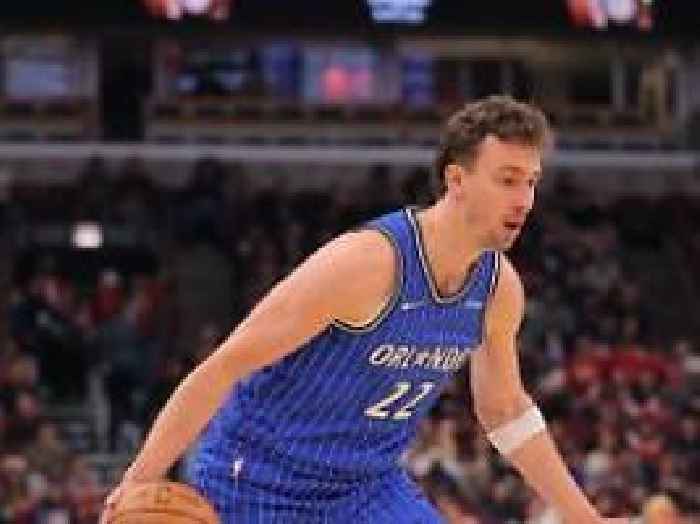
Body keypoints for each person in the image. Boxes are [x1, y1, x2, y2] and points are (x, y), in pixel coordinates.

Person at [101, 96, 629, 523]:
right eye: (507, 179)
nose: (524, 199)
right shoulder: (367, 263)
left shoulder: (498, 288)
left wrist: (585, 517)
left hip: (364, 489)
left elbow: (506, 411)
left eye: (531, 181)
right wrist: (139, 479)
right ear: (457, 180)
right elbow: (223, 366)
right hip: (259, 480)